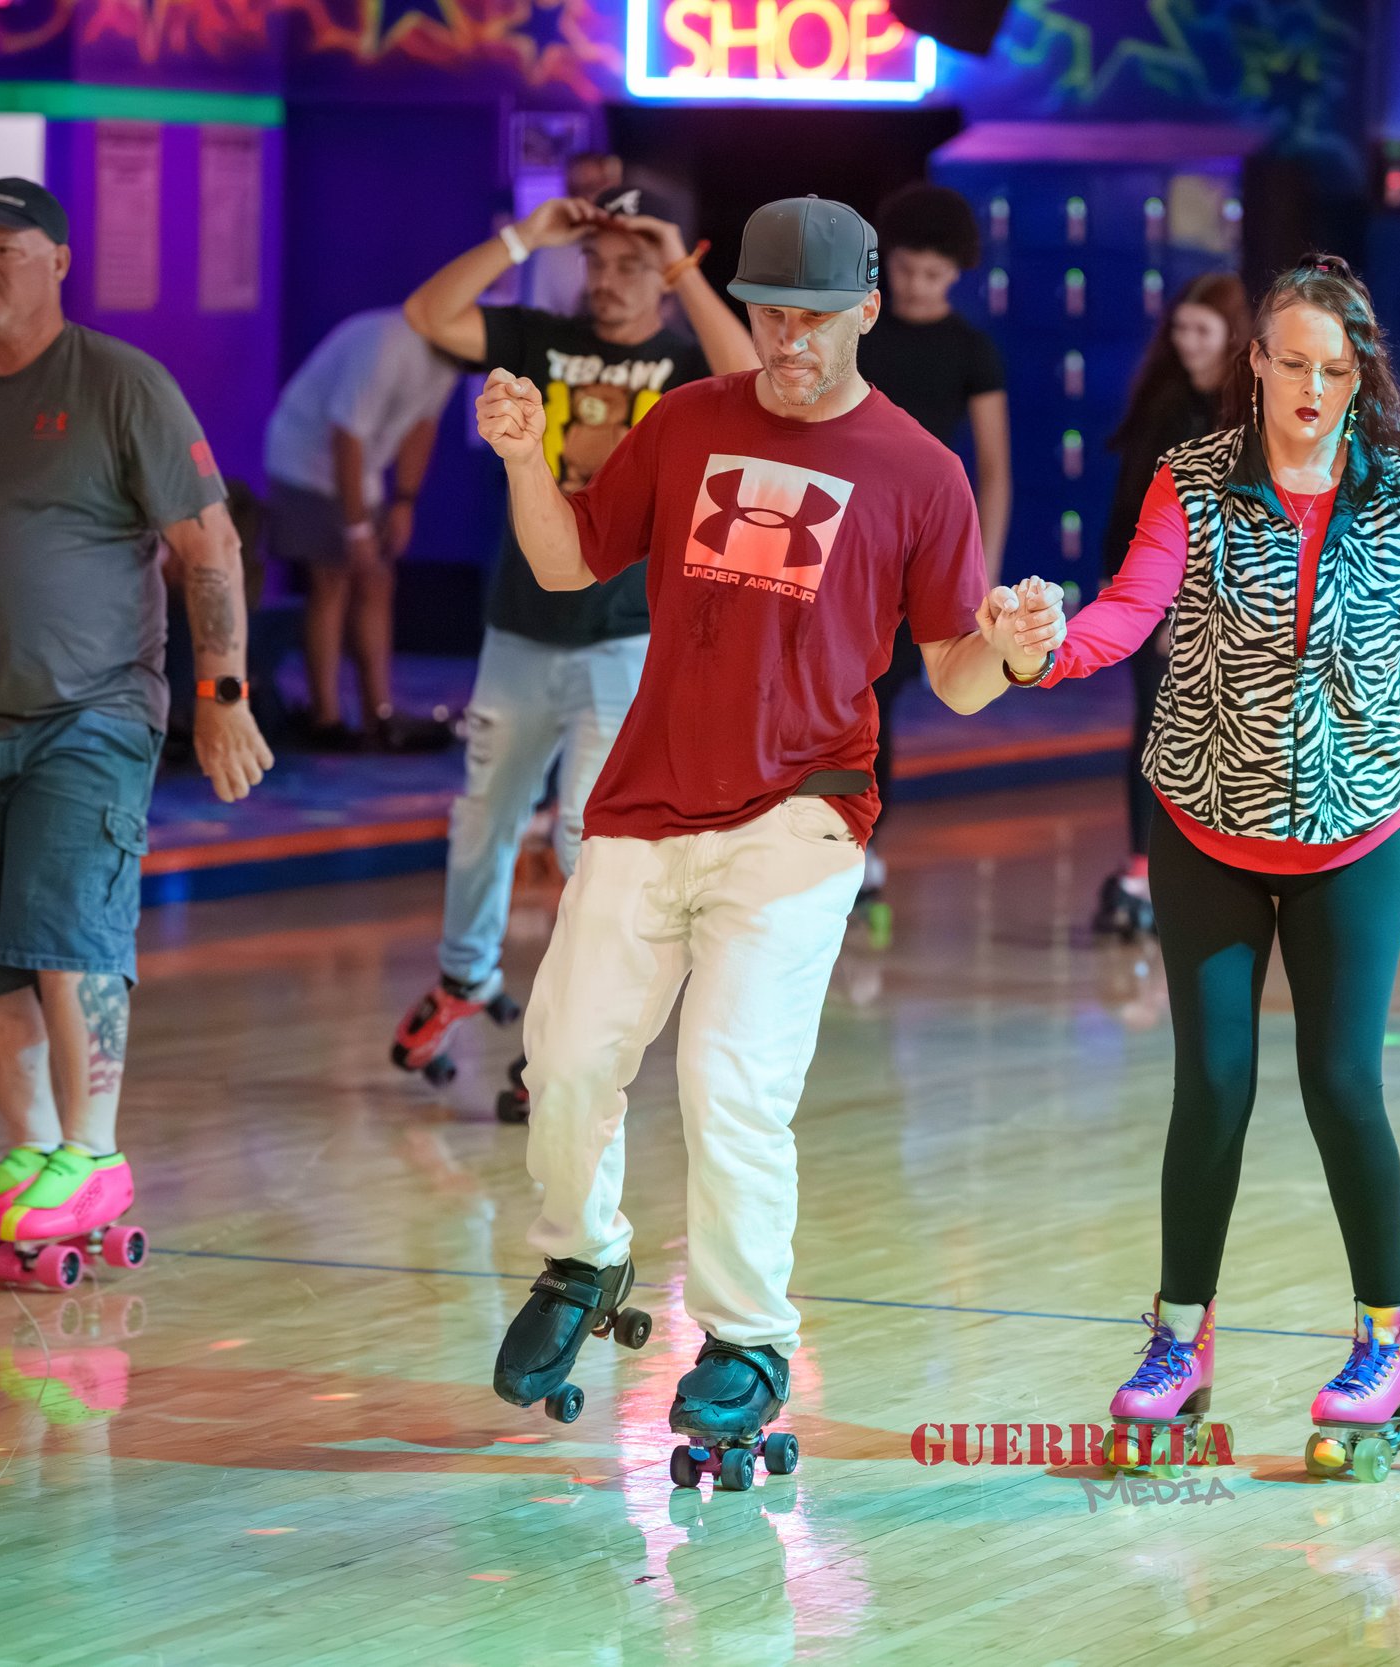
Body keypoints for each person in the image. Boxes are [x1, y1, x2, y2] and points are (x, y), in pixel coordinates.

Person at [480, 197, 1065, 1446]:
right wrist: (527, 457)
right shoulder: (687, 420)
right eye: (767, 314)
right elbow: (570, 564)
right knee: (567, 1056)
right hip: (648, 795)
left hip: (802, 810)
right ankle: (581, 1260)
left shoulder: (919, 469)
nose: (787, 338)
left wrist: (1007, 651)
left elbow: (953, 672)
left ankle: (748, 1338)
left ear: (865, 310)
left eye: (811, 316)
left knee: (726, 1077)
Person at [1013, 256, 1400, 1472]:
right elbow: (1130, 609)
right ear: (1255, 364)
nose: (1313, 389)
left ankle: (1389, 1332)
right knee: (1212, 1082)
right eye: (1293, 364)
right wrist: (1050, 650)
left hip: (1351, 839)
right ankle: (1179, 1336)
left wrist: (1349, 722)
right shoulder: (1194, 481)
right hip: (1203, 823)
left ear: (1359, 374)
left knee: (1341, 1085)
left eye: (1337, 369)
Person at [0, 177, 272, 1264]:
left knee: (66, 918)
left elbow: (208, 547)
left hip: (97, 706)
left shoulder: (123, 385)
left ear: (58, 262)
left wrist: (222, 695)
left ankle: (95, 1147)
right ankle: (34, 1150)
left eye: (4, 250)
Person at [393, 183, 757, 1100]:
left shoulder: (682, 363)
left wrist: (676, 259)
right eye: (596, 262)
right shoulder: (542, 341)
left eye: (630, 267)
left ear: (666, 279)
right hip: (520, 627)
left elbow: (752, 380)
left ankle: (561, 1029)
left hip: (625, 637)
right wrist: (522, 235)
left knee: (588, 840)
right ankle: (466, 975)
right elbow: (428, 312)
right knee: (484, 818)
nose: (607, 281)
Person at [851, 183, 1012, 924]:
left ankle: (861, 841)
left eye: (934, 276)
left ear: (959, 274)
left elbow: (993, 468)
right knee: (843, 689)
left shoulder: (971, 349)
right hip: (844, 536)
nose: (916, 287)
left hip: (919, 547)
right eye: (907, 270)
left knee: (879, 698)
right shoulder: (857, 332)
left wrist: (983, 575)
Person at [1089, 271, 1251, 939]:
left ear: (1231, 337)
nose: (1187, 343)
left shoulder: (1250, 410)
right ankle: (1142, 862)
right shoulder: (1164, 402)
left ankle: (1218, 862)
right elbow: (1131, 511)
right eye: (1180, 328)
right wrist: (1143, 602)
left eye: (1201, 331)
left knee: (1226, 731)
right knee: (1156, 726)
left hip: (1231, 600)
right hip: (1155, 593)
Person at [263, 307, 462, 751]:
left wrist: (405, 501)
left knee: (377, 581)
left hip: (362, 470)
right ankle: (327, 719)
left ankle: (379, 714)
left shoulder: (450, 358)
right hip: (305, 462)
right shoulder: (387, 346)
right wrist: (355, 529)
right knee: (331, 578)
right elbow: (344, 435)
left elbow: (422, 425)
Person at [524, 151, 625, 319]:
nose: (585, 198)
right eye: (575, 190)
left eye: (593, 187)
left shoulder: (637, 242)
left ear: (614, 185)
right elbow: (537, 318)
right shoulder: (551, 252)